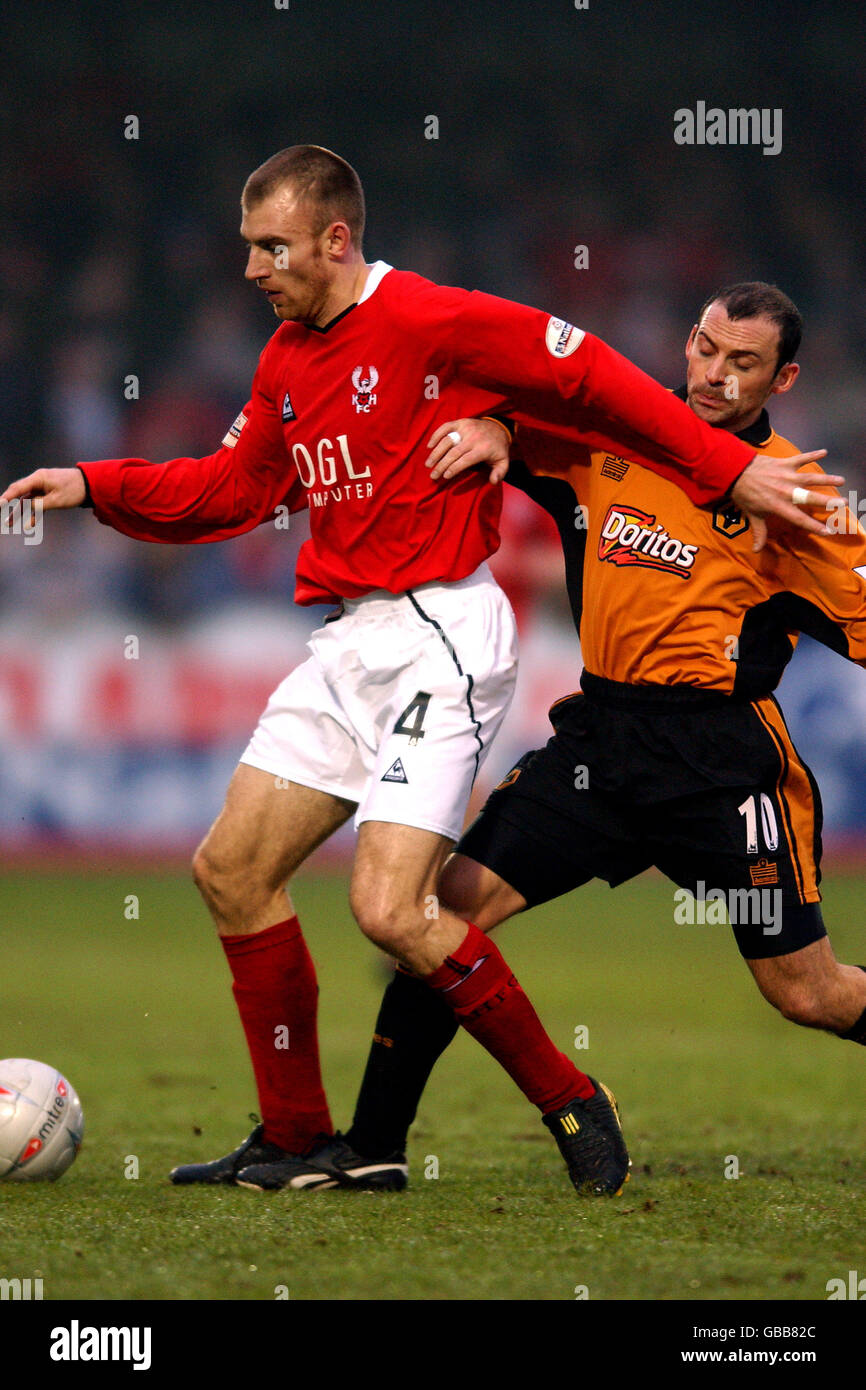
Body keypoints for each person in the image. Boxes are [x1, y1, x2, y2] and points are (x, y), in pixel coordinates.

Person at [0, 146, 837, 1198]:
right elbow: (231, 490)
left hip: (444, 633)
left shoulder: (437, 319)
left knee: (396, 911)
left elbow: (592, 377)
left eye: (273, 248)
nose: (255, 268)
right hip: (356, 640)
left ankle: (570, 1099)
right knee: (232, 871)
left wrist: (726, 468)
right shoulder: (285, 360)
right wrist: (93, 481)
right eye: (248, 247)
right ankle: (299, 1138)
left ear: (335, 240)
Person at [305, 281, 866, 1190]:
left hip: (721, 768)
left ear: (786, 377)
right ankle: (372, 1147)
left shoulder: (799, 496)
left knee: (807, 992)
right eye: (705, 347)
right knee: (435, 917)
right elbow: (504, 408)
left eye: (744, 362)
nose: (714, 374)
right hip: (598, 750)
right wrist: (498, 433)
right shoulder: (616, 431)